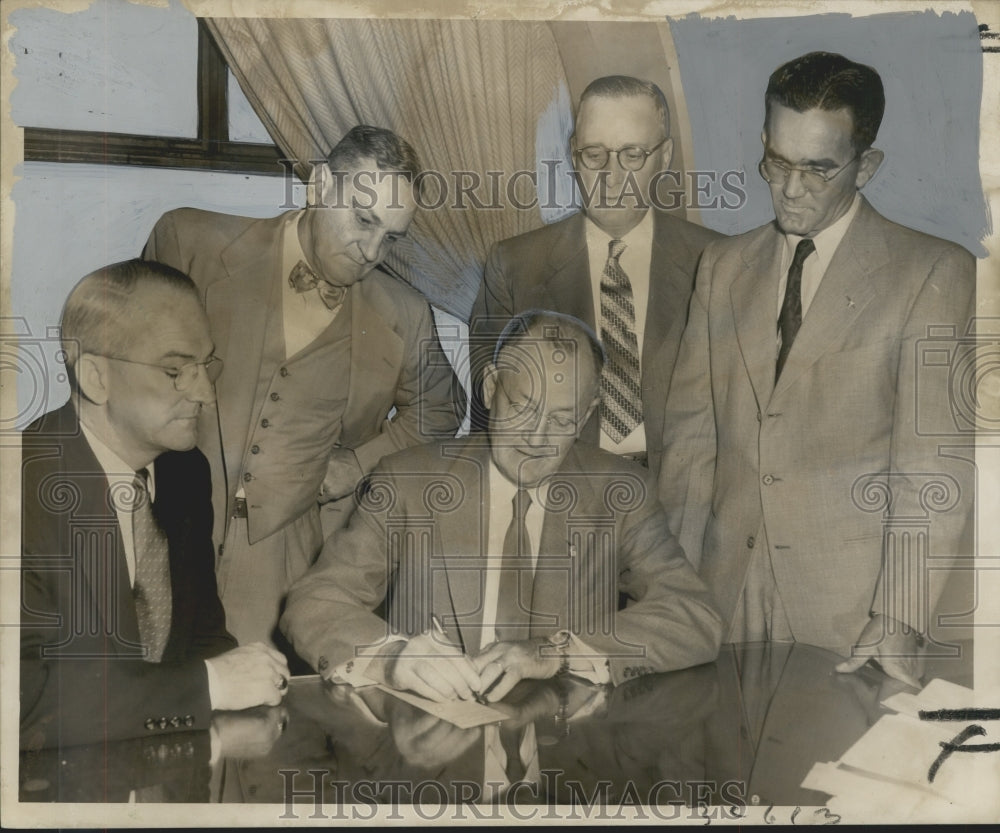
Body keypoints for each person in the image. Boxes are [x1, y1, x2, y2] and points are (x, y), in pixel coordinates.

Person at [659, 52, 975, 684]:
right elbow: (690, 448)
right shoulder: (722, 268)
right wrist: (672, 590)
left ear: (866, 167)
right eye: (777, 162)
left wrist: (899, 617)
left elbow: (931, 470)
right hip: (719, 599)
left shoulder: (933, 273)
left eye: (818, 168)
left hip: (852, 615)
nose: (791, 188)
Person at [281, 310, 722, 703]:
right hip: (430, 756)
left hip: (566, 763)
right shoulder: (406, 482)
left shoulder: (621, 492)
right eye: (523, 408)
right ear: (492, 388)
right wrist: (391, 658)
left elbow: (693, 616)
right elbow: (315, 602)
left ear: (587, 416)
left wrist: (557, 653)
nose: (536, 438)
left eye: (562, 420)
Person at [142, 125, 465, 653]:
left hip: (282, 572)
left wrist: (354, 467)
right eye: (363, 221)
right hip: (163, 538)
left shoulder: (404, 314)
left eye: (392, 237)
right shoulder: (190, 242)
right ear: (319, 185)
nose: (372, 251)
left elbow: (440, 412)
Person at [20, 260, 290, 751]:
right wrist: (209, 685)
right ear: (95, 378)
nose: (205, 394)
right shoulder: (18, 489)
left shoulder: (185, 473)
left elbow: (204, 636)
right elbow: (22, 701)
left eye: (205, 367)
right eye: (174, 371)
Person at [471, 75, 722, 478]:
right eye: (594, 154)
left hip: (684, 501)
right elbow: (488, 423)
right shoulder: (515, 265)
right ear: (573, 155)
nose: (611, 175)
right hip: (558, 498)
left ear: (665, 156)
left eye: (633, 155)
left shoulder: (718, 260)